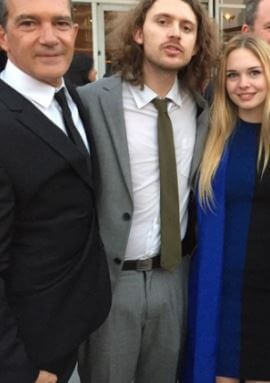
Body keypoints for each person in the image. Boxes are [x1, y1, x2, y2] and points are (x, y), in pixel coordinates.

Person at [76, 0, 217, 382]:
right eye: (163, 22)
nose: (175, 33)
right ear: (139, 33)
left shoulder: (203, 112)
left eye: (187, 28)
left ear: (196, 45)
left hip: (174, 280)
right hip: (110, 284)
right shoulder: (91, 103)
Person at [0, 0, 111, 382]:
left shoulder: (73, 99)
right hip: (31, 359)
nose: (50, 38)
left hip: (72, 337)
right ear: (3, 36)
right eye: (29, 23)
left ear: (75, 34)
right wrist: (19, 370)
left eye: (61, 23)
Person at [183, 33, 270, 383]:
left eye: (254, 73)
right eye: (232, 75)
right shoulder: (212, 135)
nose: (243, 84)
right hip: (222, 293)